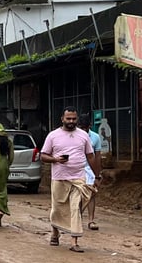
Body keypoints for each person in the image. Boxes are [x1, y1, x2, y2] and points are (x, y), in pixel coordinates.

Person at [40, 107, 96, 252]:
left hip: (78, 178)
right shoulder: (53, 136)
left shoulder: (83, 135)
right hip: (59, 178)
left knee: (75, 208)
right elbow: (43, 155)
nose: (71, 121)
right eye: (68, 119)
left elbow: (90, 156)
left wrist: (97, 175)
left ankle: (74, 241)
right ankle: (55, 233)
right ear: (62, 119)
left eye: (73, 119)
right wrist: (55, 159)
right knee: (57, 209)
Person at [78, 114, 103, 230]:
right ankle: (77, 219)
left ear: (90, 126)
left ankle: (91, 220)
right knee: (77, 195)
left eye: (85, 128)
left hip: (89, 169)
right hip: (76, 168)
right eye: (81, 128)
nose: (83, 130)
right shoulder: (73, 136)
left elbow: (97, 157)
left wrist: (97, 174)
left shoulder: (95, 137)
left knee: (91, 194)